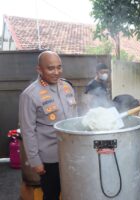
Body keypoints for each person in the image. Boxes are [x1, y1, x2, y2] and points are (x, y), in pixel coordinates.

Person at [19, 51, 77, 200]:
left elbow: (74, 119)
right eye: (51, 68)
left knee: (73, 191)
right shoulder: (30, 95)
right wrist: (35, 161)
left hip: (71, 153)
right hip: (50, 159)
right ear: (39, 69)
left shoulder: (67, 87)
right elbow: (28, 131)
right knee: (51, 195)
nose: (56, 72)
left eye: (59, 67)